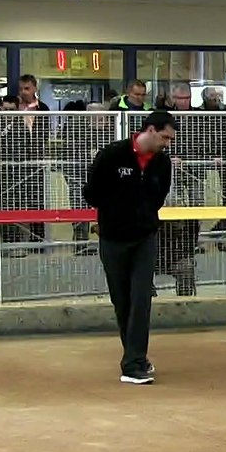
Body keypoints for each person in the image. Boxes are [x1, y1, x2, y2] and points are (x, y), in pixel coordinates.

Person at [83, 110, 176, 385]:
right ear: (149, 129)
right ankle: (134, 355)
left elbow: (159, 196)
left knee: (141, 299)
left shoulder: (163, 164)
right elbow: (91, 193)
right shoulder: (112, 155)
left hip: (145, 237)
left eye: (170, 139)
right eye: (164, 137)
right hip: (112, 239)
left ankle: (134, 363)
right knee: (122, 301)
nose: (167, 143)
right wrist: (115, 210)